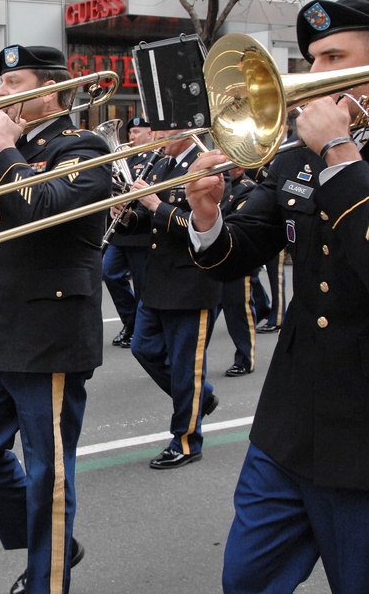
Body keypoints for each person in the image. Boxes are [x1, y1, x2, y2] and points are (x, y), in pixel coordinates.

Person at [184, 0, 369, 593]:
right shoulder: (294, 153)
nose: (316, 76)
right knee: (245, 581)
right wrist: (205, 216)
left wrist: (341, 151)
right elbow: (237, 257)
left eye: (333, 57)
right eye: (312, 60)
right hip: (291, 415)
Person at [0, 44, 110, 594]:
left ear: (51, 93)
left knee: (48, 473)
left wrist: (5, 150)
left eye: (13, 84)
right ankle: (53, 545)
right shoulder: (3, 152)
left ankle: (48, 579)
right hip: (5, 327)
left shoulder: (82, 146)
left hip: (52, 332)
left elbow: (43, 208)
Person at [114, 128, 221, 468]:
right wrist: (126, 214)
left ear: (186, 129)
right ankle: (199, 398)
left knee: (185, 367)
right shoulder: (160, 165)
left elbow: (202, 225)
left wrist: (155, 205)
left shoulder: (204, 164)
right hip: (158, 279)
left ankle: (186, 441)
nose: (158, 135)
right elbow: (147, 225)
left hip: (192, 282)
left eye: (165, 129)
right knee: (143, 347)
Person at [103, 115, 155, 348]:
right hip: (121, 231)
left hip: (141, 232)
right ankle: (130, 321)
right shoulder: (125, 158)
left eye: (137, 132)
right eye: (130, 133)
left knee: (143, 284)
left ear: (150, 133)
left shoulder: (155, 158)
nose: (131, 137)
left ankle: (142, 330)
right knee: (109, 273)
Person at [215, 165, 264, 377]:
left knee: (238, 312)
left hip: (238, 260)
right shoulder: (216, 185)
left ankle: (245, 358)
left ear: (241, 167)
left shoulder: (248, 188)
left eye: (230, 166)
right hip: (214, 259)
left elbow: (237, 222)